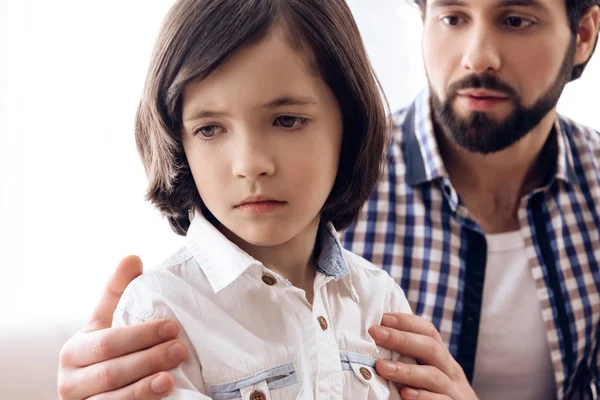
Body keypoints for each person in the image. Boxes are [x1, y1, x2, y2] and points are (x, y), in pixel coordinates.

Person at [58, 0, 600, 399]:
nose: (478, 55)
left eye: (516, 18)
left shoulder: (375, 291)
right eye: (453, 16)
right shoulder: (172, 303)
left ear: (583, 33)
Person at [61, 0, 419, 398]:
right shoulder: (160, 311)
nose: (250, 165)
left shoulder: (380, 300)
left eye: (286, 121)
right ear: (178, 142)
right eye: (210, 129)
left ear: (348, 126)